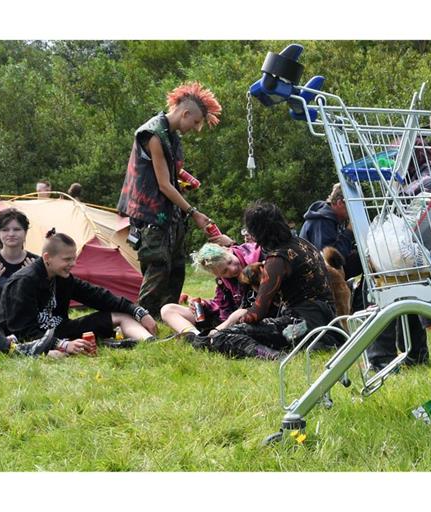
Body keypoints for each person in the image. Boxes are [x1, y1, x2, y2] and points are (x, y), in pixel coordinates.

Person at [117, 81, 223, 318]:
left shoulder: (171, 135)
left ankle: (168, 314)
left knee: (176, 268)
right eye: (195, 122)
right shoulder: (153, 134)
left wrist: (184, 179)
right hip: (151, 214)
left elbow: (166, 174)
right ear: (185, 113)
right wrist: (193, 212)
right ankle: (141, 318)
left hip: (169, 213)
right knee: (158, 267)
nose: (196, 128)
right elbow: (164, 185)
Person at [187, 201, 336, 360]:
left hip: (303, 327)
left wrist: (235, 322)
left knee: (221, 337)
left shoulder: (277, 259)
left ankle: (275, 357)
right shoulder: (302, 243)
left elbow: (257, 313)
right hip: (329, 321)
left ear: (257, 232)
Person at [0, 231, 158, 353]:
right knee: (54, 353)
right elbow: (22, 331)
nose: (72, 264)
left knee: (121, 314)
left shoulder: (62, 277)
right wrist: (62, 345)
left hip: (61, 330)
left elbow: (97, 296)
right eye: (67, 259)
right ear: (47, 258)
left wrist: (138, 311)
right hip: (30, 339)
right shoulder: (24, 282)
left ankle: (153, 343)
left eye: (73, 258)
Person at [160, 242, 262, 336]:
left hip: (254, 315)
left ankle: (207, 336)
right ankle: (195, 336)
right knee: (168, 309)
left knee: (238, 314)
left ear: (227, 250)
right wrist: (204, 305)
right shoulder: (223, 281)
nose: (233, 269)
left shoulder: (256, 257)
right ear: (217, 274)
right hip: (229, 319)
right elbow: (221, 305)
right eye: (225, 271)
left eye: (230, 261)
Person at [0, 208, 39, 322]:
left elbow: (45, 305)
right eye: (5, 230)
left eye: (17, 229)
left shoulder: (36, 263)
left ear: (25, 233)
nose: (11, 234)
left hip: (26, 323)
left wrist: (33, 280)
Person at [299, 183, 361, 279]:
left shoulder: (331, 219)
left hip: (321, 272)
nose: (355, 209)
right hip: (317, 278)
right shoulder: (323, 221)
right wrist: (349, 232)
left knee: (364, 257)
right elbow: (330, 260)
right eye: (352, 204)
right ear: (340, 203)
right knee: (361, 259)